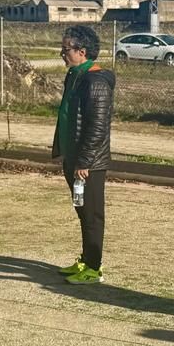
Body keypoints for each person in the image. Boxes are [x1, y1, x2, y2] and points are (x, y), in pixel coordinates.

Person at [51, 24, 114, 285]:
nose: (62, 53)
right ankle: (85, 259)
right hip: (72, 156)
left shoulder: (96, 80)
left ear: (82, 51)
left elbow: (98, 125)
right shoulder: (74, 75)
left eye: (66, 49)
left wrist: (84, 161)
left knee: (92, 214)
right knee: (81, 209)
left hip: (88, 163)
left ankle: (94, 267)